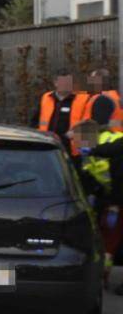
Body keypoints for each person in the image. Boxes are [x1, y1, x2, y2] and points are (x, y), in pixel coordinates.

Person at [79, 95, 123, 294]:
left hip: (104, 196)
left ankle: (99, 276)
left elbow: (86, 167)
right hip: (109, 196)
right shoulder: (116, 137)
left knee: (104, 239)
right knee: (108, 239)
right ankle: (101, 275)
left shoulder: (92, 136)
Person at [33, 69, 88, 150]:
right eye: (64, 82)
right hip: (47, 145)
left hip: (72, 148)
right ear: (56, 83)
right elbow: (35, 120)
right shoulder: (46, 97)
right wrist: (37, 135)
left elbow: (89, 122)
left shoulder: (83, 99)